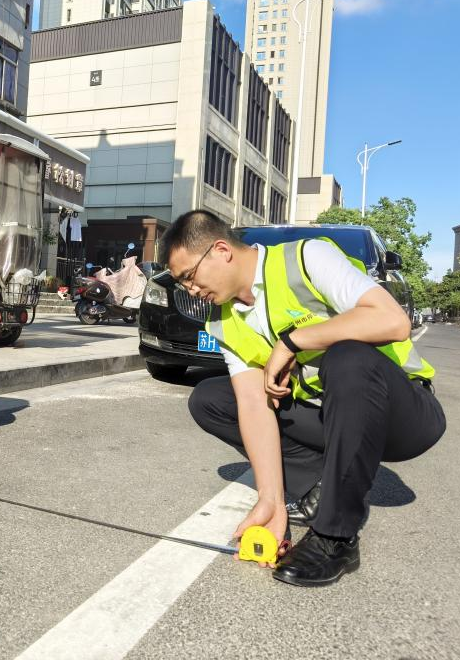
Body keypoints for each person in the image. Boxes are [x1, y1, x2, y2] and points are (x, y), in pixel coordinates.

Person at [162, 211, 445, 587]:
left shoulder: (307, 259)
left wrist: (296, 340)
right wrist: (271, 501)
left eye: (188, 276)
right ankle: (318, 484)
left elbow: (393, 321)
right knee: (212, 398)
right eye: (182, 284)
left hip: (403, 415)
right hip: (330, 415)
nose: (190, 290)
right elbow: (253, 405)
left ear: (220, 250)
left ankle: (335, 536)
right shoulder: (226, 319)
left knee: (349, 356)